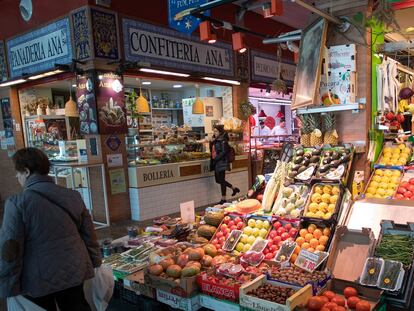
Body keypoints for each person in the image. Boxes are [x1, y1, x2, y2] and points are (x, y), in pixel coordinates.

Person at [0, 148, 101, 311]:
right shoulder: (73, 195)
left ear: (26, 171)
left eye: (17, 173)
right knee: (76, 306)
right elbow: (90, 235)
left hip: (38, 277)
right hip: (76, 268)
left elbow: (10, 250)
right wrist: (96, 262)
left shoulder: (17, 203)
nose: (17, 177)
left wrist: (7, 286)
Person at [210, 125, 240, 204]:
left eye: (216, 131)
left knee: (221, 180)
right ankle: (233, 188)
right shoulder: (216, 139)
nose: (214, 132)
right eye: (214, 131)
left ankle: (223, 199)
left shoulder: (223, 140)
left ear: (220, 132)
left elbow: (224, 152)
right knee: (218, 180)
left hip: (221, 162)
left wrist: (216, 158)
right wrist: (212, 141)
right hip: (217, 162)